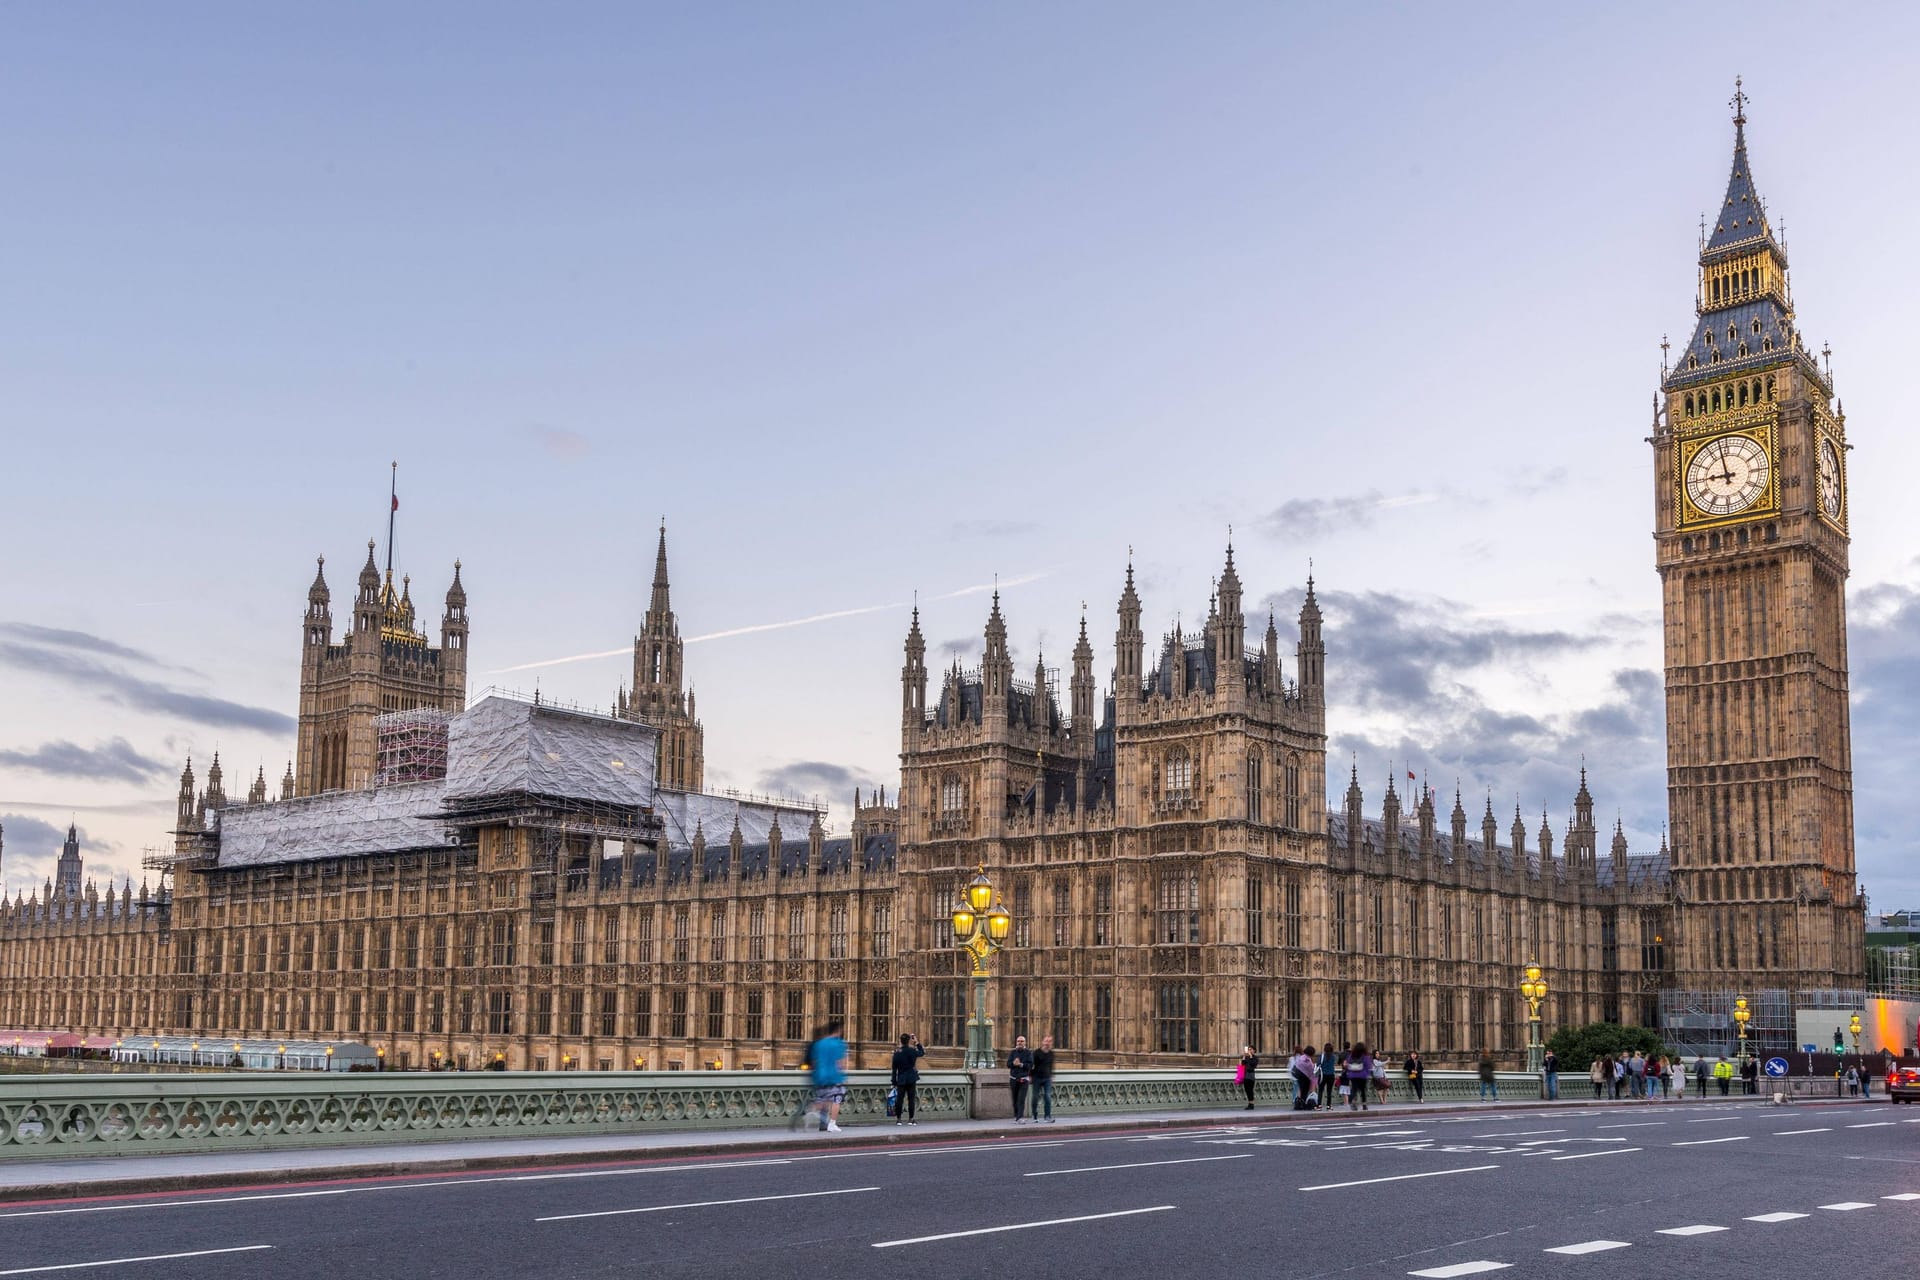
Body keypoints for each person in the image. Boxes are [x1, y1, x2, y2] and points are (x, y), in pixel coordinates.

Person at [791, 1020, 849, 1133]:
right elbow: (841, 1063)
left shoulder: (819, 1044)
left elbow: (813, 1061)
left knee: (823, 1099)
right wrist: (843, 1076)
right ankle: (832, 1124)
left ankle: (810, 1113)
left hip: (819, 1076)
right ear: (838, 1031)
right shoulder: (839, 1044)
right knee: (837, 1099)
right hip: (834, 1076)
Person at [890, 1032, 924, 1126]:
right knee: (911, 1099)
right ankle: (911, 1119)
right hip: (911, 1078)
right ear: (909, 1041)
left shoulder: (897, 1053)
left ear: (901, 1041)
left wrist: (893, 1082)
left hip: (901, 1079)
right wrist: (916, 1042)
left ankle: (899, 1119)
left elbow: (894, 1070)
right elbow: (922, 1053)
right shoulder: (912, 1051)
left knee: (899, 1100)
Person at [1007, 1035, 1035, 1122]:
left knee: (1021, 1099)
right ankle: (1016, 1115)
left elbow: (1030, 1065)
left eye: (1022, 1041)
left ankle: (1019, 1117)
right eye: (1018, 1041)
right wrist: (1013, 1063)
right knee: (1015, 1099)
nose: (1020, 1042)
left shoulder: (1028, 1053)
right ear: (1016, 1042)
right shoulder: (1012, 1052)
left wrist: (1020, 1064)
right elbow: (1008, 1064)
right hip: (1013, 1079)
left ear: (1025, 1043)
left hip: (1024, 1079)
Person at [1030, 1034, 1056, 1122]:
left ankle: (1047, 1116)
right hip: (1037, 1077)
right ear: (1042, 1042)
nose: (1047, 1043)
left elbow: (1051, 1065)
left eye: (1049, 1041)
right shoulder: (1036, 1053)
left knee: (1048, 1097)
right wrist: (1030, 1075)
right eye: (1046, 1041)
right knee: (1035, 1097)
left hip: (1047, 1078)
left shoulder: (1051, 1054)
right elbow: (1031, 1065)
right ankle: (1034, 1115)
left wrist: (1052, 1075)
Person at [1346, 1043, 1373, 1111]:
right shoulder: (1365, 1056)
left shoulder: (1351, 1056)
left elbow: (1348, 1065)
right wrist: (1367, 1074)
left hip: (1353, 1075)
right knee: (1363, 1090)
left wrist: (1349, 1073)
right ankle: (1364, 1104)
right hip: (1362, 1075)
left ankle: (1353, 1101)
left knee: (1354, 1089)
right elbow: (1368, 1066)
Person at [1290, 1045, 1319, 1110]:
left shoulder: (1302, 1057)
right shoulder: (1309, 1062)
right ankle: (1304, 1104)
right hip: (1303, 1077)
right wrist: (1314, 1084)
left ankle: (1298, 1104)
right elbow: (1312, 1074)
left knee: (1300, 1089)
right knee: (1305, 1090)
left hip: (1296, 1074)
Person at [1317, 1043, 1340, 1110]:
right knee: (1329, 1091)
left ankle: (1319, 1105)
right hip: (1331, 1075)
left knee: (1320, 1090)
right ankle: (1329, 1106)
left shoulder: (1322, 1056)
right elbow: (1335, 1063)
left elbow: (1318, 1064)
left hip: (1322, 1075)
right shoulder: (1334, 1056)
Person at [1237, 1045, 1259, 1110]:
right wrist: (1244, 1056)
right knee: (1247, 1090)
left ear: (1254, 1050)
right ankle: (1250, 1104)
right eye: (1249, 1049)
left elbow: (1253, 1064)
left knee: (1250, 1090)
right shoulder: (1247, 1057)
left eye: (1251, 1049)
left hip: (1251, 1076)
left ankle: (1252, 1104)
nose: (1249, 1050)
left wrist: (1251, 1056)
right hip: (1245, 1076)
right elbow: (1242, 1064)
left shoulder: (1255, 1058)